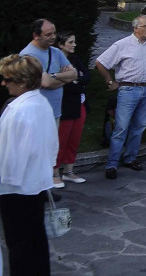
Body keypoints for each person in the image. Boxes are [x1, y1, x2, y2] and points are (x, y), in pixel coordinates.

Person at [0, 55, 58, 276]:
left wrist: (5, 183)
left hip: (16, 188)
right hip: (37, 183)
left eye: (7, 78)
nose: (4, 83)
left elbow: (11, 156)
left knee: (19, 244)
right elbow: (52, 143)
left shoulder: (18, 110)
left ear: (22, 81)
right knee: (36, 239)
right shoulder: (40, 102)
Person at [96, 15, 146, 180]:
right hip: (128, 90)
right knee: (121, 128)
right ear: (136, 28)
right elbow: (100, 62)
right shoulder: (122, 45)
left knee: (139, 126)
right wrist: (110, 81)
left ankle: (130, 158)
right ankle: (112, 164)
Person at [20, 19, 76, 186]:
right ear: (36, 36)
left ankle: (44, 187)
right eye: (48, 34)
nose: (53, 37)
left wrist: (52, 76)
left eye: (54, 33)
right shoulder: (28, 55)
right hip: (36, 115)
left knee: (49, 152)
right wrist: (59, 77)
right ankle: (34, 188)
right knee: (36, 153)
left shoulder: (55, 52)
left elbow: (73, 74)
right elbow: (45, 84)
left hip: (54, 112)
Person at [55, 31, 90, 185]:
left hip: (79, 103)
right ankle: (54, 171)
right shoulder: (55, 61)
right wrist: (74, 80)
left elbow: (86, 77)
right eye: (70, 42)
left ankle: (69, 170)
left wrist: (73, 79)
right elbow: (58, 82)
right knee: (61, 139)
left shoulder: (75, 59)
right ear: (61, 44)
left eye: (74, 41)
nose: (74, 45)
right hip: (64, 105)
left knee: (74, 138)